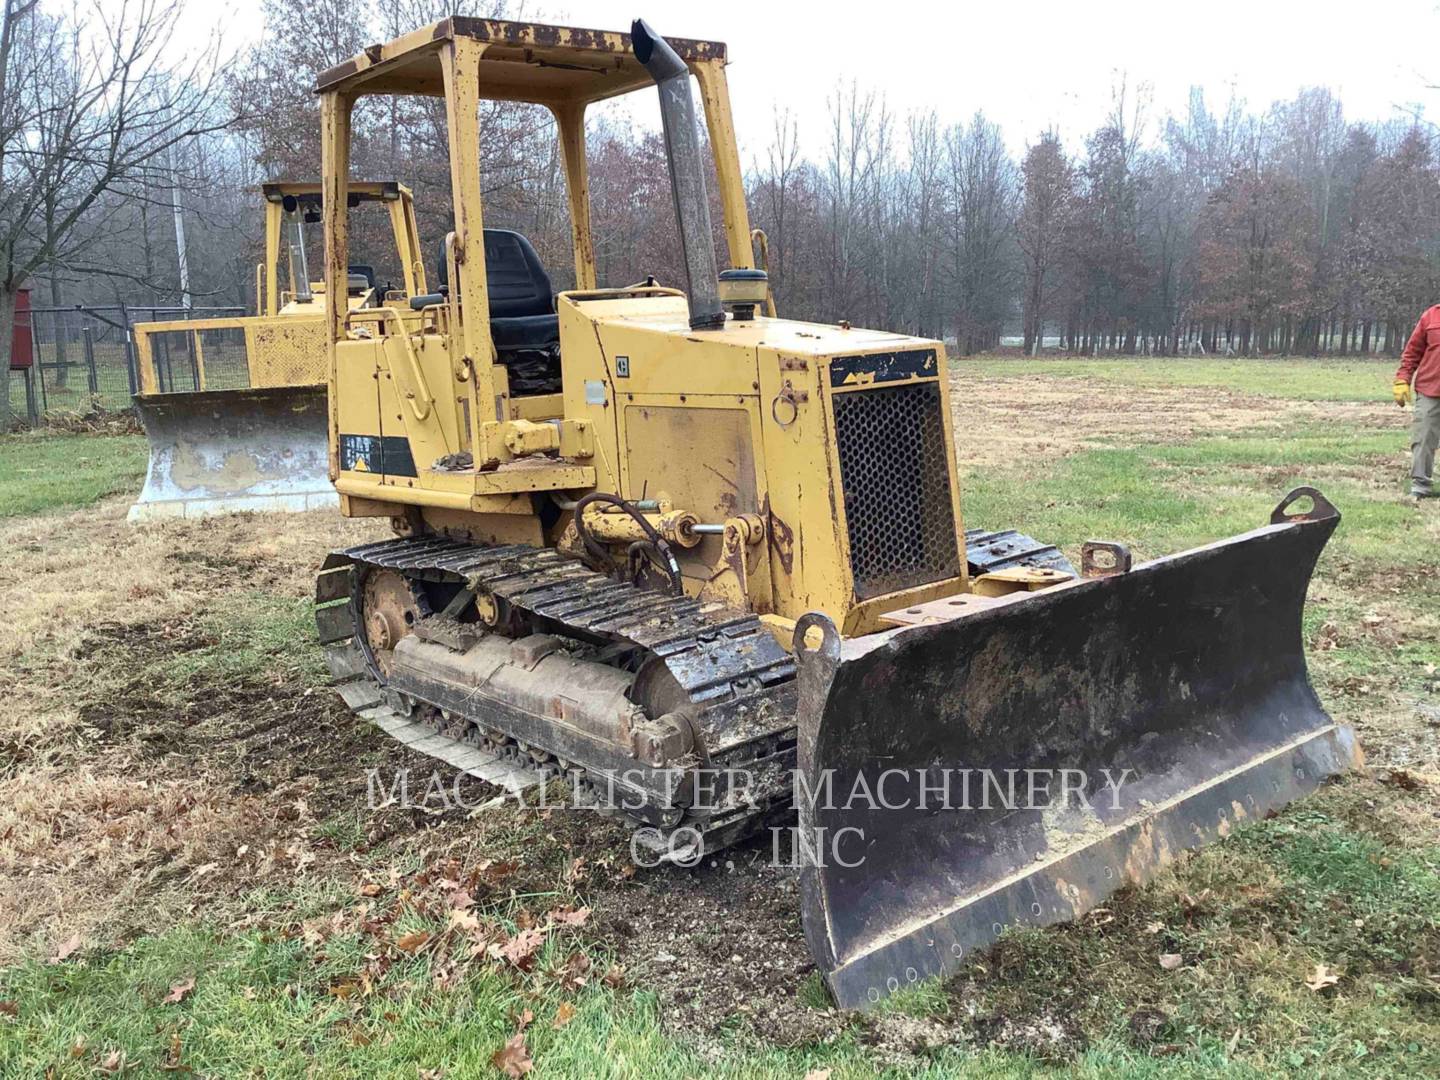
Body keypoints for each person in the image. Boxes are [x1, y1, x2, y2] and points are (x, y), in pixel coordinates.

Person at [1395, 306, 1440, 498]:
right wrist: (1402, 379)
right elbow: (1412, 351)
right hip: (1430, 388)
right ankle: (1421, 484)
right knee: (1423, 438)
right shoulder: (1431, 316)